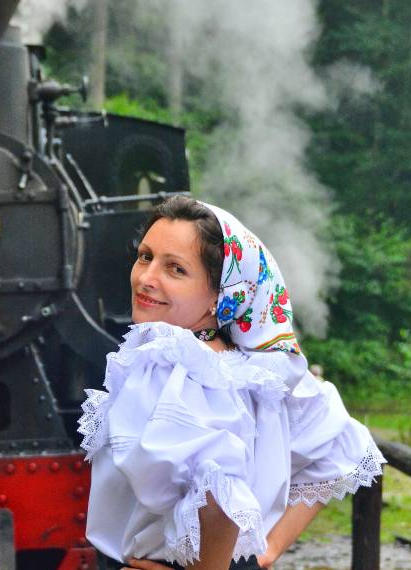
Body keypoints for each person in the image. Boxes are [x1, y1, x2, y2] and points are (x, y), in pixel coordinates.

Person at [78, 197, 385, 570]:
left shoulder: (176, 368)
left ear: (220, 295)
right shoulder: (257, 370)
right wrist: (265, 552)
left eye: (175, 269)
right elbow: (339, 447)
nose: (146, 278)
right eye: (145, 256)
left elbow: (218, 495)